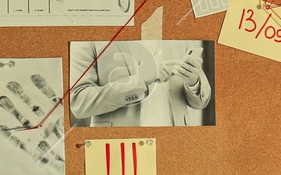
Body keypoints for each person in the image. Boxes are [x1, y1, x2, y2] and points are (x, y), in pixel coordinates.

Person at [69, 41, 211, 127]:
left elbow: (201, 102)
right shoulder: (89, 32)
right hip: (121, 148)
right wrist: (140, 79)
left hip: (176, 144)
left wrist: (194, 82)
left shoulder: (175, 23)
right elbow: (79, 103)